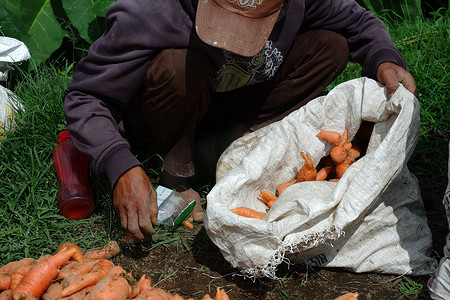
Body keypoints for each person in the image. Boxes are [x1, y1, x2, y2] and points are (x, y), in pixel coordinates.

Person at [63, 0, 418, 241]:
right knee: (180, 65)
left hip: (233, 105)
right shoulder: (153, 9)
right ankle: (177, 169)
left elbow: (358, 22)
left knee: (332, 45)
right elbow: (86, 97)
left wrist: (383, 59)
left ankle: (240, 148)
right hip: (168, 109)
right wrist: (120, 165)